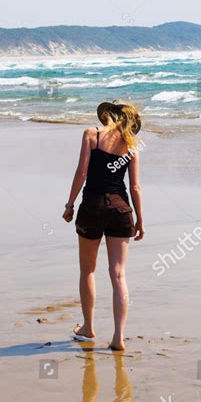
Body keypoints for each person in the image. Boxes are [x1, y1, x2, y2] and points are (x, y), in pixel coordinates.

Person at [62, 100, 144, 351]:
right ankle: (118, 338)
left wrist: (69, 204)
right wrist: (140, 219)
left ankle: (88, 328)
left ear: (108, 115)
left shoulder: (91, 135)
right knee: (118, 275)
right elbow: (135, 188)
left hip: (92, 207)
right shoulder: (131, 148)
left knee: (88, 270)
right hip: (120, 210)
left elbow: (82, 173)